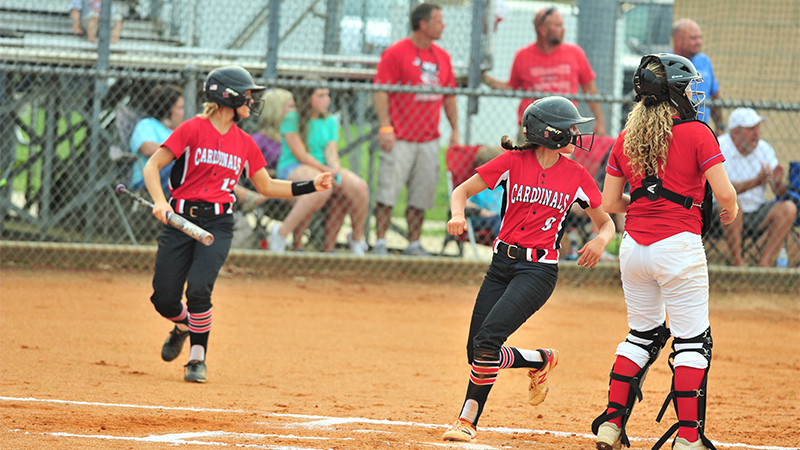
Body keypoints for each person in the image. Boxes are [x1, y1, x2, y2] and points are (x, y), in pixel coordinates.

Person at [141, 66, 332, 383]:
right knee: (164, 298)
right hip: (180, 220)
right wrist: (160, 202)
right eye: (246, 95)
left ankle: (197, 359)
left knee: (199, 289)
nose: (251, 101)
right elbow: (152, 165)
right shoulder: (192, 129)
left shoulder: (244, 142)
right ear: (226, 96)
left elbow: (267, 186)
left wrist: (311, 185)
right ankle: (183, 324)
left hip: (218, 223)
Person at [441, 96, 615, 442]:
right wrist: (457, 214)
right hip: (501, 265)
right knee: (477, 351)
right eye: (569, 129)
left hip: (538, 271)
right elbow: (461, 191)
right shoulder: (512, 162)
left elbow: (606, 222)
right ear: (549, 133)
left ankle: (466, 420)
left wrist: (601, 240)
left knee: (488, 342)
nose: (575, 135)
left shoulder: (577, 175)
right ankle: (539, 360)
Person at [592, 53, 738, 450]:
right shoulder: (697, 133)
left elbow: (610, 202)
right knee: (692, 342)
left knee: (641, 335)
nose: (692, 94)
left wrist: (645, 202)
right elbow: (724, 193)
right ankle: (688, 437)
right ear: (674, 92)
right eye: (688, 87)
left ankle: (611, 423)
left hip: (634, 249)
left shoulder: (626, 138)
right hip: (678, 247)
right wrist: (731, 208)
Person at [373, 2, 459, 256]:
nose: (443, 26)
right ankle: (380, 241)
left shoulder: (442, 56)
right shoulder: (396, 52)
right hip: (400, 137)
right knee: (388, 192)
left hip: (428, 138)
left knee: (421, 195)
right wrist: (385, 126)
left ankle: (413, 243)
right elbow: (381, 90)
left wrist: (454, 130)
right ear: (423, 24)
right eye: (438, 21)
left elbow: (449, 96)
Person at [271, 84, 369, 255]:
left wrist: (335, 171)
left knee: (359, 187)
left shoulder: (330, 121)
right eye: (321, 95)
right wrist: (325, 171)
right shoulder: (291, 118)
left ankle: (355, 240)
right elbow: (301, 155)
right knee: (319, 186)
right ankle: (281, 234)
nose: (327, 100)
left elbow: (331, 151)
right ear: (308, 98)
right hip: (294, 166)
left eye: (327, 95)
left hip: (322, 168)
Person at [483, 6, 606, 138]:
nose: (563, 29)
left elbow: (590, 89)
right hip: (532, 126)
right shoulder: (523, 56)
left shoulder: (575, 53)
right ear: (542, 29)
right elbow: (510, 87)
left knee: (564, 151)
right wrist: (485, 79)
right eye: (558, 26)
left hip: (563, 125)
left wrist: (600, 121)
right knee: (525, 150)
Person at [718, 107, 796, 267]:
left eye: (758, 128)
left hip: (756, 212)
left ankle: (763, 264)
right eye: (750, 129)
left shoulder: (764, 149)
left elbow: (780, 193)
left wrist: (778, 183)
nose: (757, 134)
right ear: (735, 132)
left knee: (788, 208)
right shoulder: (720, 146)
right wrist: (756, 182)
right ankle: (738, 263)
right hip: (722, 215)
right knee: (730, 203)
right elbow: (722, 191)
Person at [129, 84, 184, 194]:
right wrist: (180, 150)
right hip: (148, 179)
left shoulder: (178, 132)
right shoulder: (147, 124)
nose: (184, 112)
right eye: (180, 108)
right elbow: (147, 148)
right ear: (168, 109)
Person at [672, 18, 723, 135]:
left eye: (700, 38)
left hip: (700, 131)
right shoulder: (666, 62)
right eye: (693, 38)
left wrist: (719, 126)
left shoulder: (704, 61)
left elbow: (714, 95)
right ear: (677, 40)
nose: (699, 42)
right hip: (675, 131)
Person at [252, 88, 295, 177]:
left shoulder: (294, 135)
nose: (295, 110)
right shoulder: (259, 139)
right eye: (291, 106)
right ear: (277, 109)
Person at [465, 146, 504, 238]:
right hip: (482, 219)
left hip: (502, 218)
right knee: (497, 219)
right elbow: (464, 201)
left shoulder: (503, 184)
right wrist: (482, 211)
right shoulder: (478, 184)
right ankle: (503, 244)